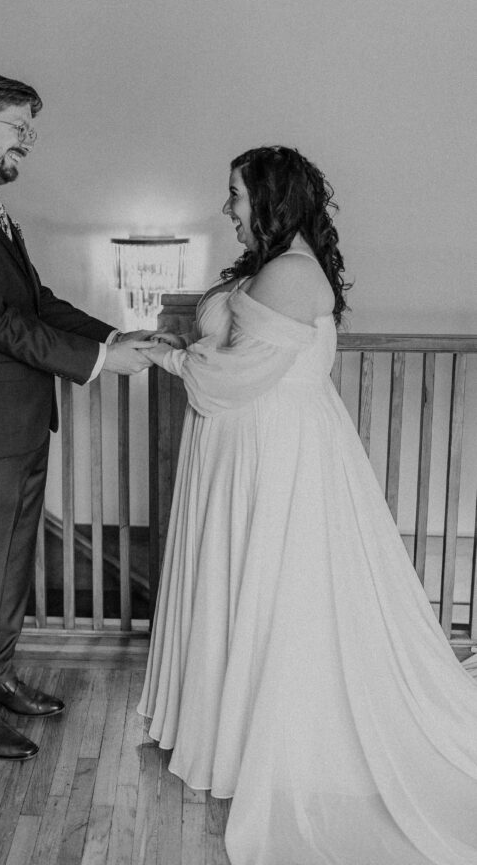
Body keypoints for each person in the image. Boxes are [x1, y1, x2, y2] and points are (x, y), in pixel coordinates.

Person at [138, 146, 477, 864]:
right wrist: (178, 343)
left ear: (269, 197)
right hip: (245, 447)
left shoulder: (289, 271)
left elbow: (229, 375)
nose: (224, 207)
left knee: (271, 589)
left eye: (232, 194)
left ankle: (259, 739)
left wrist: (165, 355)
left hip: (271, 452)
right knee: (243, 584)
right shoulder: (269, 267)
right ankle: (222, 726)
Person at [0, 72, 153, 760]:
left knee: (12, 564)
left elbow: (36, 303)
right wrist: (100, 366)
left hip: (17, 419)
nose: (29, 142)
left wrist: (115, 337)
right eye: (18, 128)